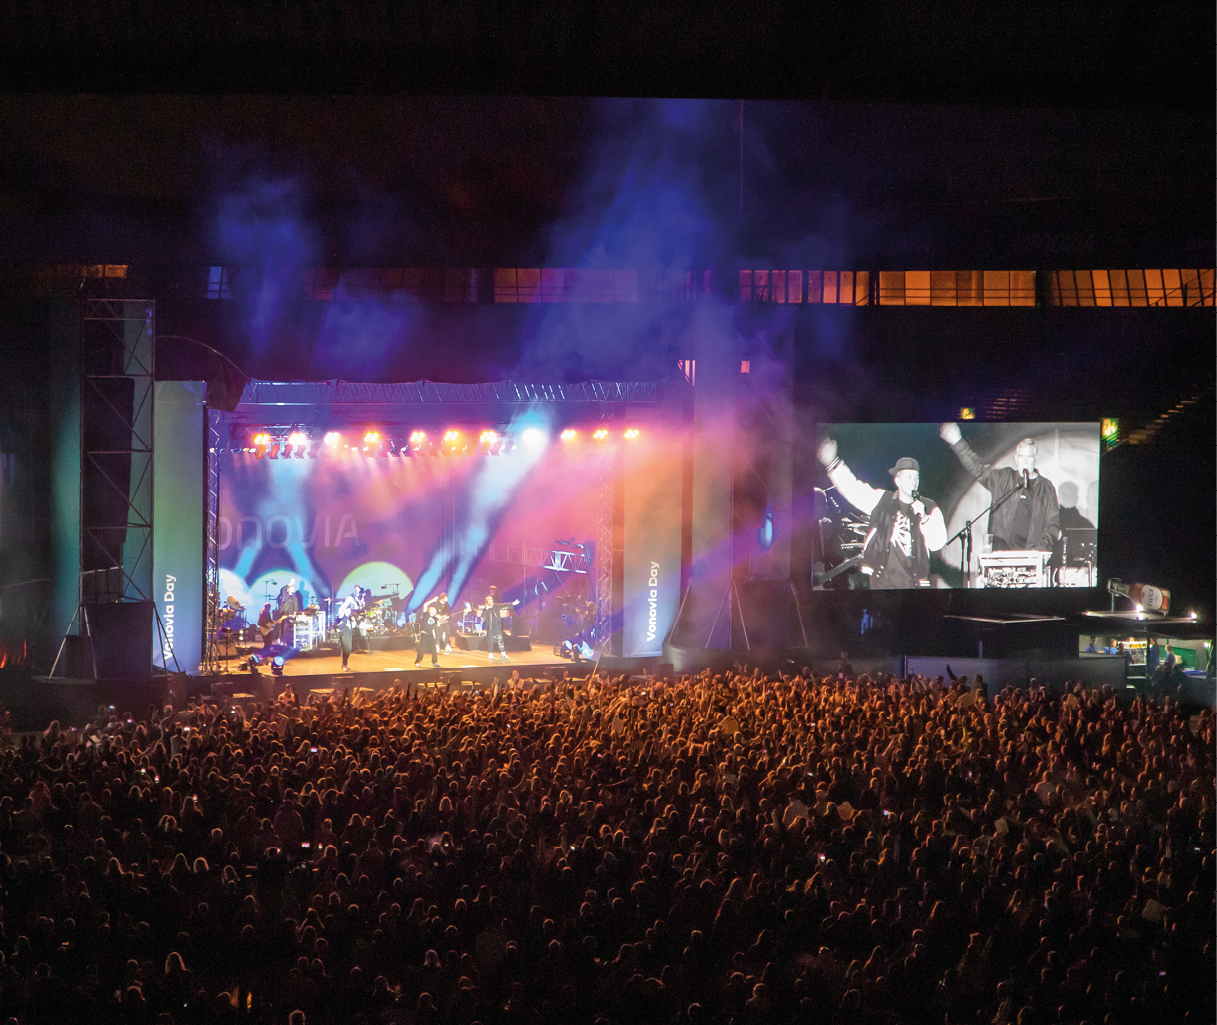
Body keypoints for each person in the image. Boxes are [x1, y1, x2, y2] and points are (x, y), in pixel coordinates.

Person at [816, 438, 947, 588]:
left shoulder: (929, 506)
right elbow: (854, 490)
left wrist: (924, 518)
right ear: (898, 481)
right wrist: (833, 464)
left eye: (916, 477)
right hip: (881, 583)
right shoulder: (882, 500)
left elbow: (938, 543)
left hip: (915, 585)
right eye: (909, 477)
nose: (914, 482)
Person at [939, 423, 1060, 554]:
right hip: (1001, 553)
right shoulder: (1003, 478)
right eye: (1021, 457)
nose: (1025, 462)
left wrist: (1042, 550)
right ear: (1016, 459)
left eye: (1029, 457)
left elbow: (1052, 524)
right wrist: (958, 442)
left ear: (1035, 458)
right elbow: (977, 469)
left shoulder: (1046, 488)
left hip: (1032, 555)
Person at [480, 586, 518, 660]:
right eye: (489, 601)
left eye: (491, 600)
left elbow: (504, 605)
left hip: (497, 626)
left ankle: (503, 654)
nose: (490, 602)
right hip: (490, 627)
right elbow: (482, 617)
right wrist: (486, 609)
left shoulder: (496, 606)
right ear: (487, 602)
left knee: (500, 640)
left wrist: (513, 603)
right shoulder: (486, 609)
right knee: (490, 641)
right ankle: (490, 654)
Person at [335, 586, 366, 671]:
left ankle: (344, 664)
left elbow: (359, 608)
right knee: (347, 648)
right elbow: (342, 609)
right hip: (343, 630)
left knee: (348, 649)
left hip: (349, 630)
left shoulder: (351, 616)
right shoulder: (345, 608)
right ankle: (344, 664)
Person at [414, 597, 441, 667]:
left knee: (433, 649)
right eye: (432, 610)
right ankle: (417, 662)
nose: (434, 612)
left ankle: (434, 662)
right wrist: (432, 600)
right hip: (424, 634)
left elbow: (438, 625)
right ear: (430, 611)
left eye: (435, 611)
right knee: (422, 649)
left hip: (430, 635)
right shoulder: (426, 615)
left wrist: (439, 619)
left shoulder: (435, 618)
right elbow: (425, 605)